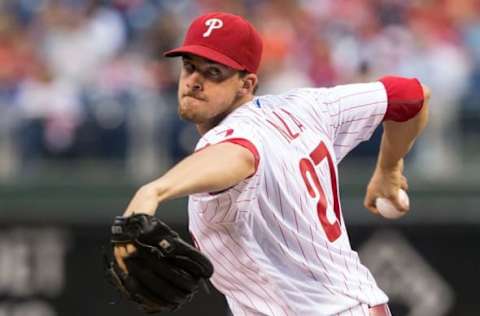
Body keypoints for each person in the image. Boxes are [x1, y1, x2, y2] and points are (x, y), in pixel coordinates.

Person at [114, 12, 429, 316]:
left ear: (247, 84)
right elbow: (413, 96)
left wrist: (153, 191)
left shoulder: (229, 136)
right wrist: (389, 168)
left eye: (214, 73)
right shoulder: (311, 106)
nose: (195, 81)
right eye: (189, 67)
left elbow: (239, 154)